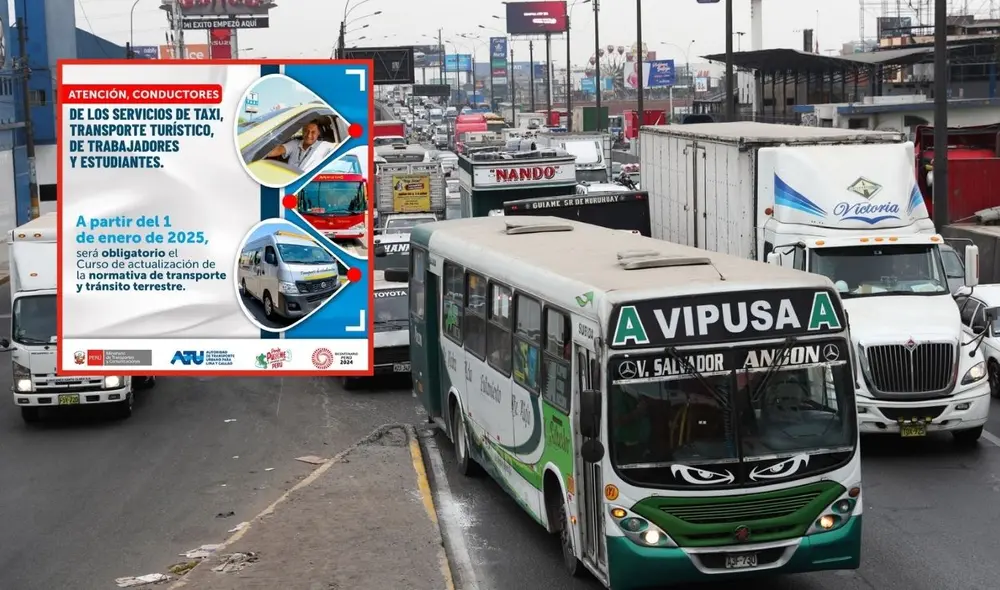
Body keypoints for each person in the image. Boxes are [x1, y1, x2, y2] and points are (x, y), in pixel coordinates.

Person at [264, 120, 335, 172]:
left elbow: (340, 148)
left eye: (313, 132)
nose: (309, 135)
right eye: (306, 131)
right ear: (302, 131)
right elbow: (277, 150)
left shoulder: (324, 145)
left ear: (318, 133)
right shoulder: (294, 143)